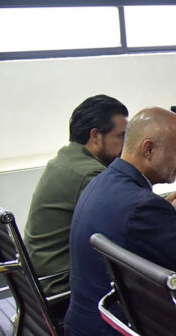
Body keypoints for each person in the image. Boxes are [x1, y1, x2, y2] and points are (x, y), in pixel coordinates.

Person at [65, 107, 176, 336]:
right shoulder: (141, 207)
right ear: (148, 149)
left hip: (88, 335)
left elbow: (168, 243)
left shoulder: (104, 181)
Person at [23, 95, 128, 298]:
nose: (125, 145)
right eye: (120, 136)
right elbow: (130, 224)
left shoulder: (64, 159)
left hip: (39, 280)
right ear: (95, 136)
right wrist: (174, 210)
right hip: (61, 287)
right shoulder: (90, 174)